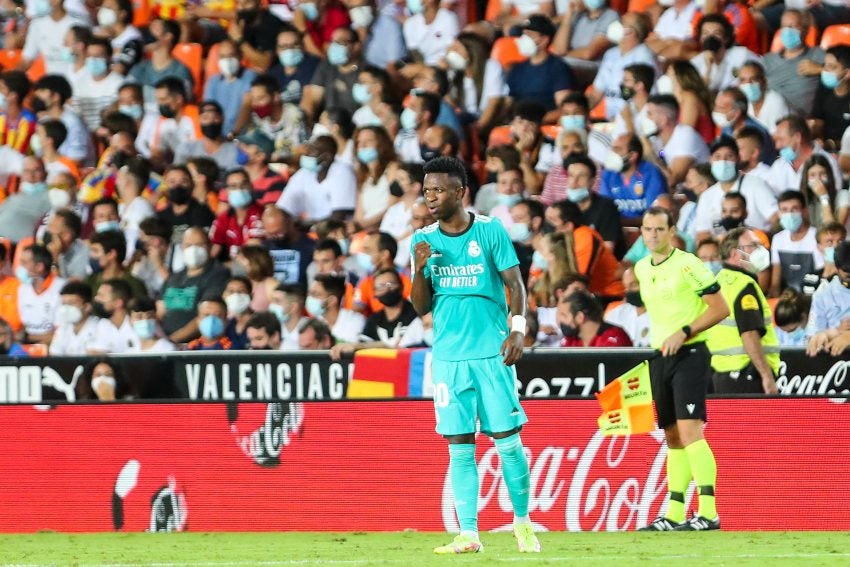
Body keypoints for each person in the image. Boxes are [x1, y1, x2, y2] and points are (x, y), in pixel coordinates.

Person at [410, 156, 540, 554]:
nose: (430, 197)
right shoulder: (422, 240)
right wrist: (418, 270)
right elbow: (420, 308)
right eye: (427, 190)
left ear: (460, 192)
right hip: (448, 358)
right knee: (459, 446)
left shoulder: (489, 231)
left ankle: (522, 523)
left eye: (438, 190)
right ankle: (469, 534)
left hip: (491, 353)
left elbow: (515, 284)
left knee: (507, 442)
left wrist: (518, 330)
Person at [635, 205, 729, 531]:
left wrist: (685, 331)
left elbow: (720, 308)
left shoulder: (689, 265)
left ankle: (709, 511)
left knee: (691, 432)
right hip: (661, 356)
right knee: (672, 436)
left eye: (660, 229)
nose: (653, 235)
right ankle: (674, 514)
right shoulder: (641, 268)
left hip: (690, 354)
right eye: (648, 229)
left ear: (672, 231)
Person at [707, 227, 779, 395]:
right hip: (746, 374)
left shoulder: (717, 282)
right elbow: (749, 334)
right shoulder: (744, 285)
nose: (761, 250)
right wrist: (766, 375)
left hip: (720, 374)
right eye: (753, 245)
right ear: (734, 254)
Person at [329, 268, 419, 359]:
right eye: (380, 286)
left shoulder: (416, 314)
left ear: (401, 286)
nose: (386, 289)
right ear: (374, 293)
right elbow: (363, 345)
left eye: (390, 284)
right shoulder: (374, 319)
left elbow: (399, 348)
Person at [557, 290, 632, 347]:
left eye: (564, 316)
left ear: (580, 317)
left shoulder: (613, 338)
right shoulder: (569, 342)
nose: (559, 320)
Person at [604, 267, 651, 347]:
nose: (628, 291)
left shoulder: (662, 313)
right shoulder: (617, 314)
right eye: (626, 287)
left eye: (633, 285)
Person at [88, 278, 137, 354]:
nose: (96, 299)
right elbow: (93, 352)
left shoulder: (137, 324)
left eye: (101, 296)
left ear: (118, 303)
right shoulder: (103, 324)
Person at [50, 281, 99, 355]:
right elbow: (55, 354)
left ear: (87, 306)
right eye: (64, 303)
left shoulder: (99, 327)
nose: (66, 308)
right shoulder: (63, 327)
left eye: (71, 303)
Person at [270, 283, 309, 350]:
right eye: (272, 301)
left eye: (277, 301)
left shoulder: (310, 328)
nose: (272, 305)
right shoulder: (270, 328)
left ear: (293, 307)